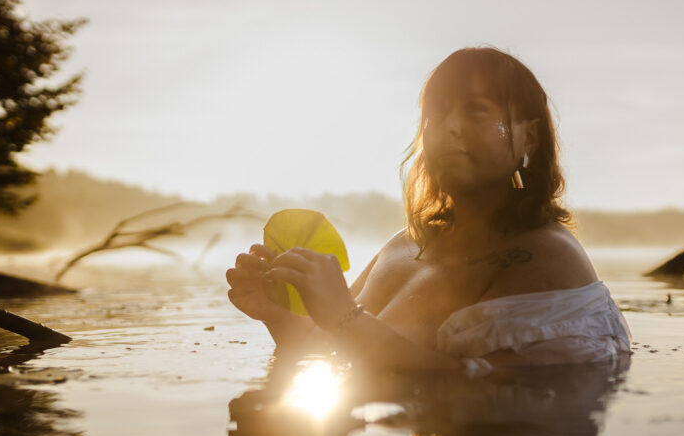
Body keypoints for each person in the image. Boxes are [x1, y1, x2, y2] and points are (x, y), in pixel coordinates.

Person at [226, 47, 631, 371]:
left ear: (530, 138)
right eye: (435, 114)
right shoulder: (404, 245)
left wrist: (344, 317)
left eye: (475, 109)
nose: (449, 126)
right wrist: (277, 316)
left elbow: (492, 394)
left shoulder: (546, 255)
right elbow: (334, 348)